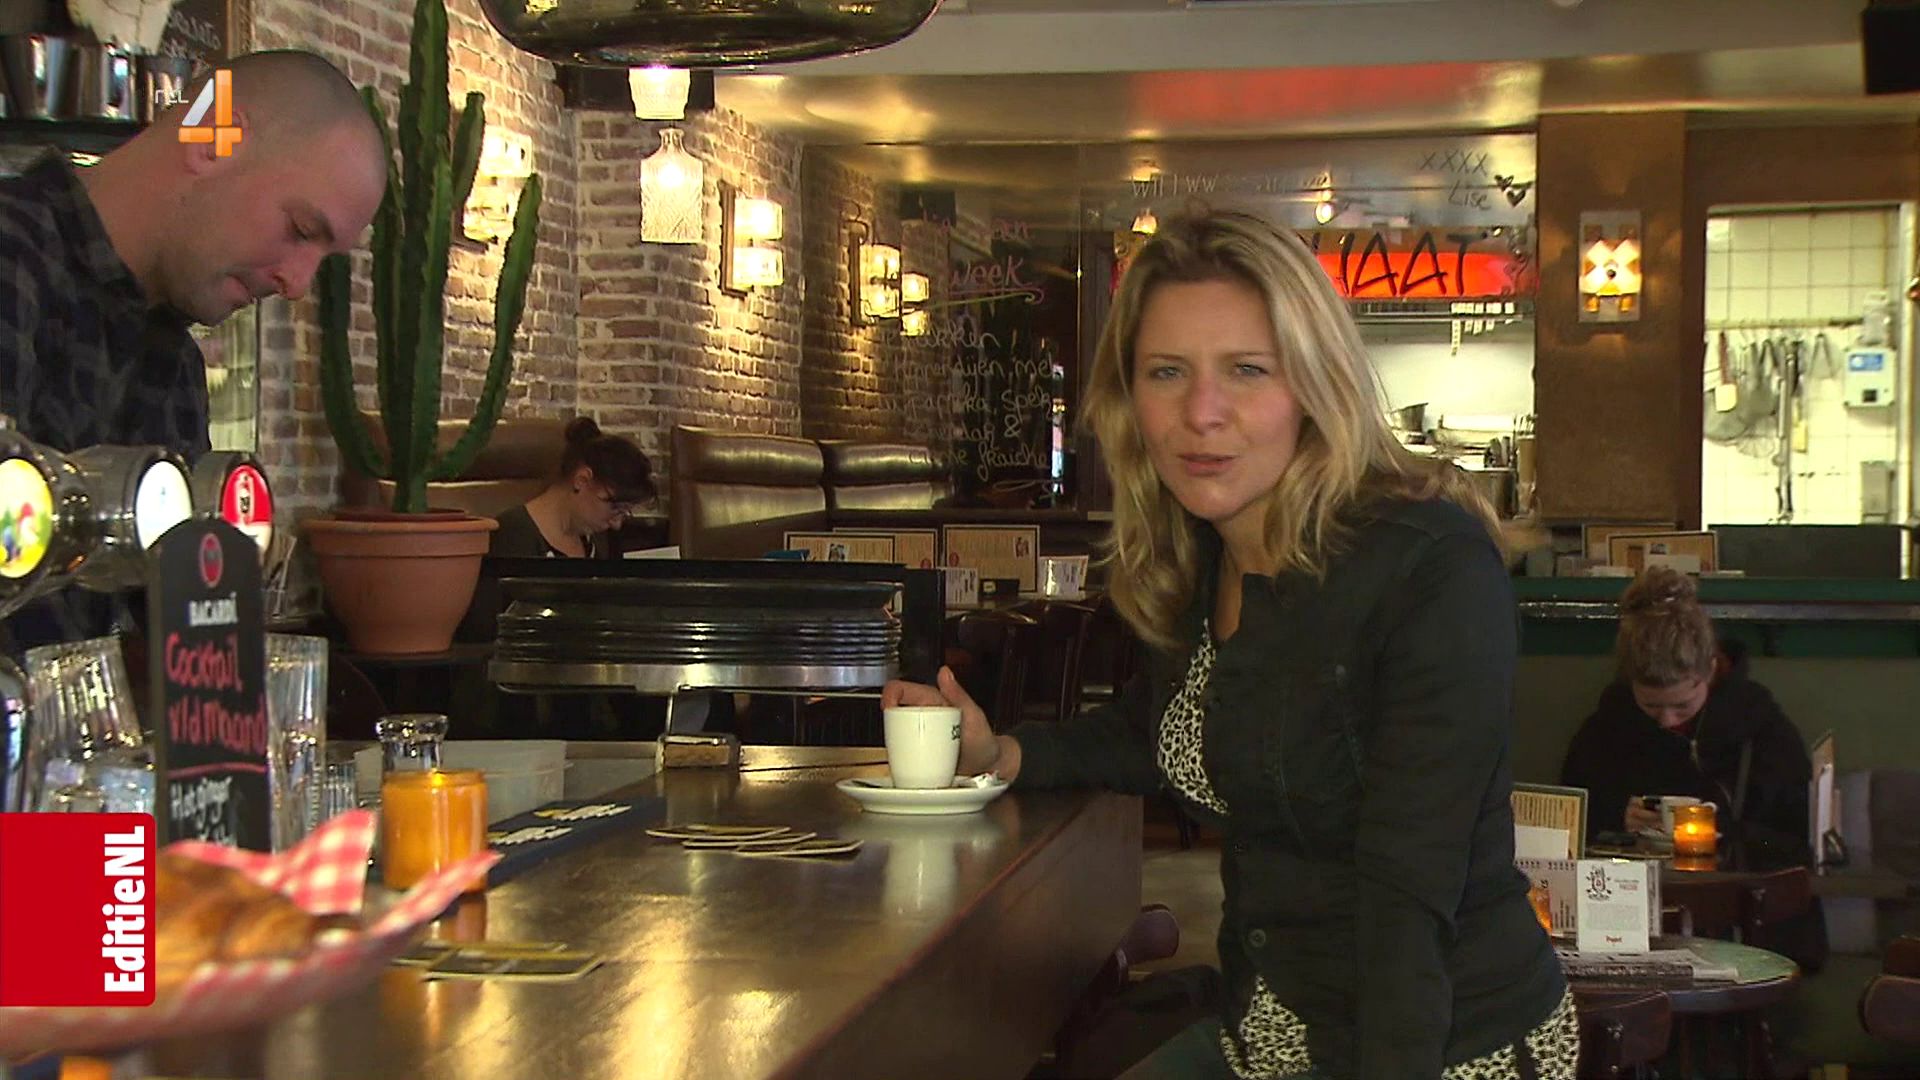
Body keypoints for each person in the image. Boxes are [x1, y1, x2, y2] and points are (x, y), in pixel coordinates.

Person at [884, 211, 1571, 1080]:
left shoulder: (1429, 565)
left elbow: (1409, 889)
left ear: (1314, 385)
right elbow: (1167, 729)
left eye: (1247, 369)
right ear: (1129, 399)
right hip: (1273, 1019)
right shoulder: (1204, 550)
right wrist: (1005, 753)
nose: (1201, 413)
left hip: (1441, 1043)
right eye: (1167, 372)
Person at [0, 49, 385, 645]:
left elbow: (185, 636)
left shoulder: (175, 363)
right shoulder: (13, 259)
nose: (297, 284)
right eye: (301, 230)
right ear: (211, 136)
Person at [1560, 565, 1813, 864]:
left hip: (1736, 888)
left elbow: (1797, 842)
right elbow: (1566, 821)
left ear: (1711, 670)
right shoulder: (1607, 729)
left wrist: (1724, 831)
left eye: (1682, 706)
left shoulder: (1762, 732)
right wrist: (1614, 816)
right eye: (1651, 705)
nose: (1667, 720)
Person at [488, 418, 654, 559]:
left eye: (624, 512)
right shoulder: (513, 536)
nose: (616, 524)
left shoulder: (595, 538)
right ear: (582, 480)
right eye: (615, 508)